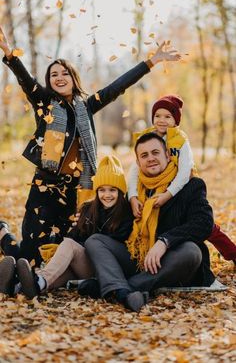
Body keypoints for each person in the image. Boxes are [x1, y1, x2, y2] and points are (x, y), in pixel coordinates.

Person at [0, 26, 181, 266]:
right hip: (45, 187)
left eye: (64, 73)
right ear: (49, 81)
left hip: (77, 189)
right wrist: (9, 53)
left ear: (73, 78)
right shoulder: (45, 104)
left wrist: (151, 62)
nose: (59, 77)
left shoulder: (87, 106)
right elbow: (25, 80)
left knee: (65, 248)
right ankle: (4, 235)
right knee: (29, 256)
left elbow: (117, 86)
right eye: (54, 74)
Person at [82, 132, 217, 312]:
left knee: (192, 251)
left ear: (167, 156)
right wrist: (85, 218)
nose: (151, 158)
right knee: (95, 241)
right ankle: (124, 292)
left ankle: (117, 287)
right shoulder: (134, 192)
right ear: (138, 163)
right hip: (138, 259)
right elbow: (112, 217)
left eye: (155, 153)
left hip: (172, 261)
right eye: (144, 155)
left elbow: (204, 223)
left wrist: (165, 242)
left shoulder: (191, 185)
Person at [0, 156, 134, 299]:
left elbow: (107, 245)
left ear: (120, 191)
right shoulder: (89, 208)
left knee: (69, 247)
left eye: (112, 190)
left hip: (106, 269)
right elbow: (73, 236)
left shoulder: (126, 213)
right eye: (102, 190)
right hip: (83, 265)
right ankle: (19, 287)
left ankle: (39, 280)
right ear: (97, 191)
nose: (107, 195)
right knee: (57, 274)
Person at [128, 94, 236, 263]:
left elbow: (184, 172)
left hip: (181, 187)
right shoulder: (147, 138)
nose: (161, 120)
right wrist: (133, 196)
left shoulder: (180, 140)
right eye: (157, 116)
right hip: (158, 186)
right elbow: (134, 170)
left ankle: (232, 253)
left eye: (167, 116)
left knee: (209, 229)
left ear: (176, 121)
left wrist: (168, 195)